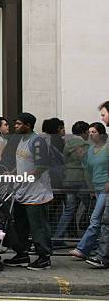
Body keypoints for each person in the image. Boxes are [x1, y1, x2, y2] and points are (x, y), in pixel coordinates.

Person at [5, 112, 53, 270]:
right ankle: (22, 254)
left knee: (37, 226)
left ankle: (44, 257)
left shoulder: (37, 141)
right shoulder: (22, 140)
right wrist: (12, 173)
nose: (15, 126)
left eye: (19, 124)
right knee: (20, 226)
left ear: (28, 125)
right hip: (22, 192)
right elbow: (22, 163)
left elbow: (42, 166)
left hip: (36, 193)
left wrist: (25, 177)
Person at [69, 122, 108, 260]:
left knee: (96, 218)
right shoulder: (91, 149)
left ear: (102, 134)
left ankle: (82, 249)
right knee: (103, 220)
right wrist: (82, 157)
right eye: (90, 132)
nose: (91, 134)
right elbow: (88, 168)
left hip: (106, 188)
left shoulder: (107, 147)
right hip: (97, 187)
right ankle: (99, 249)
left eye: (94, 132)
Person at [54, 121, 90, 246]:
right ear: (85, 132)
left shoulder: (67, 143)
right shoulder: (83, 144)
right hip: (79, 179)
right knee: (91, 207)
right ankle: (93, 240)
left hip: (68, 179)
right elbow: (86, 161)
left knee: (69, 209)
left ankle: (57, 238)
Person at [87, 101, 109, 268]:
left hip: (106, 187)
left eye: (103, 114)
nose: (102, 118)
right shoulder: (91, 149)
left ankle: (102, 256)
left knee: (104, 222)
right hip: (100, 187)